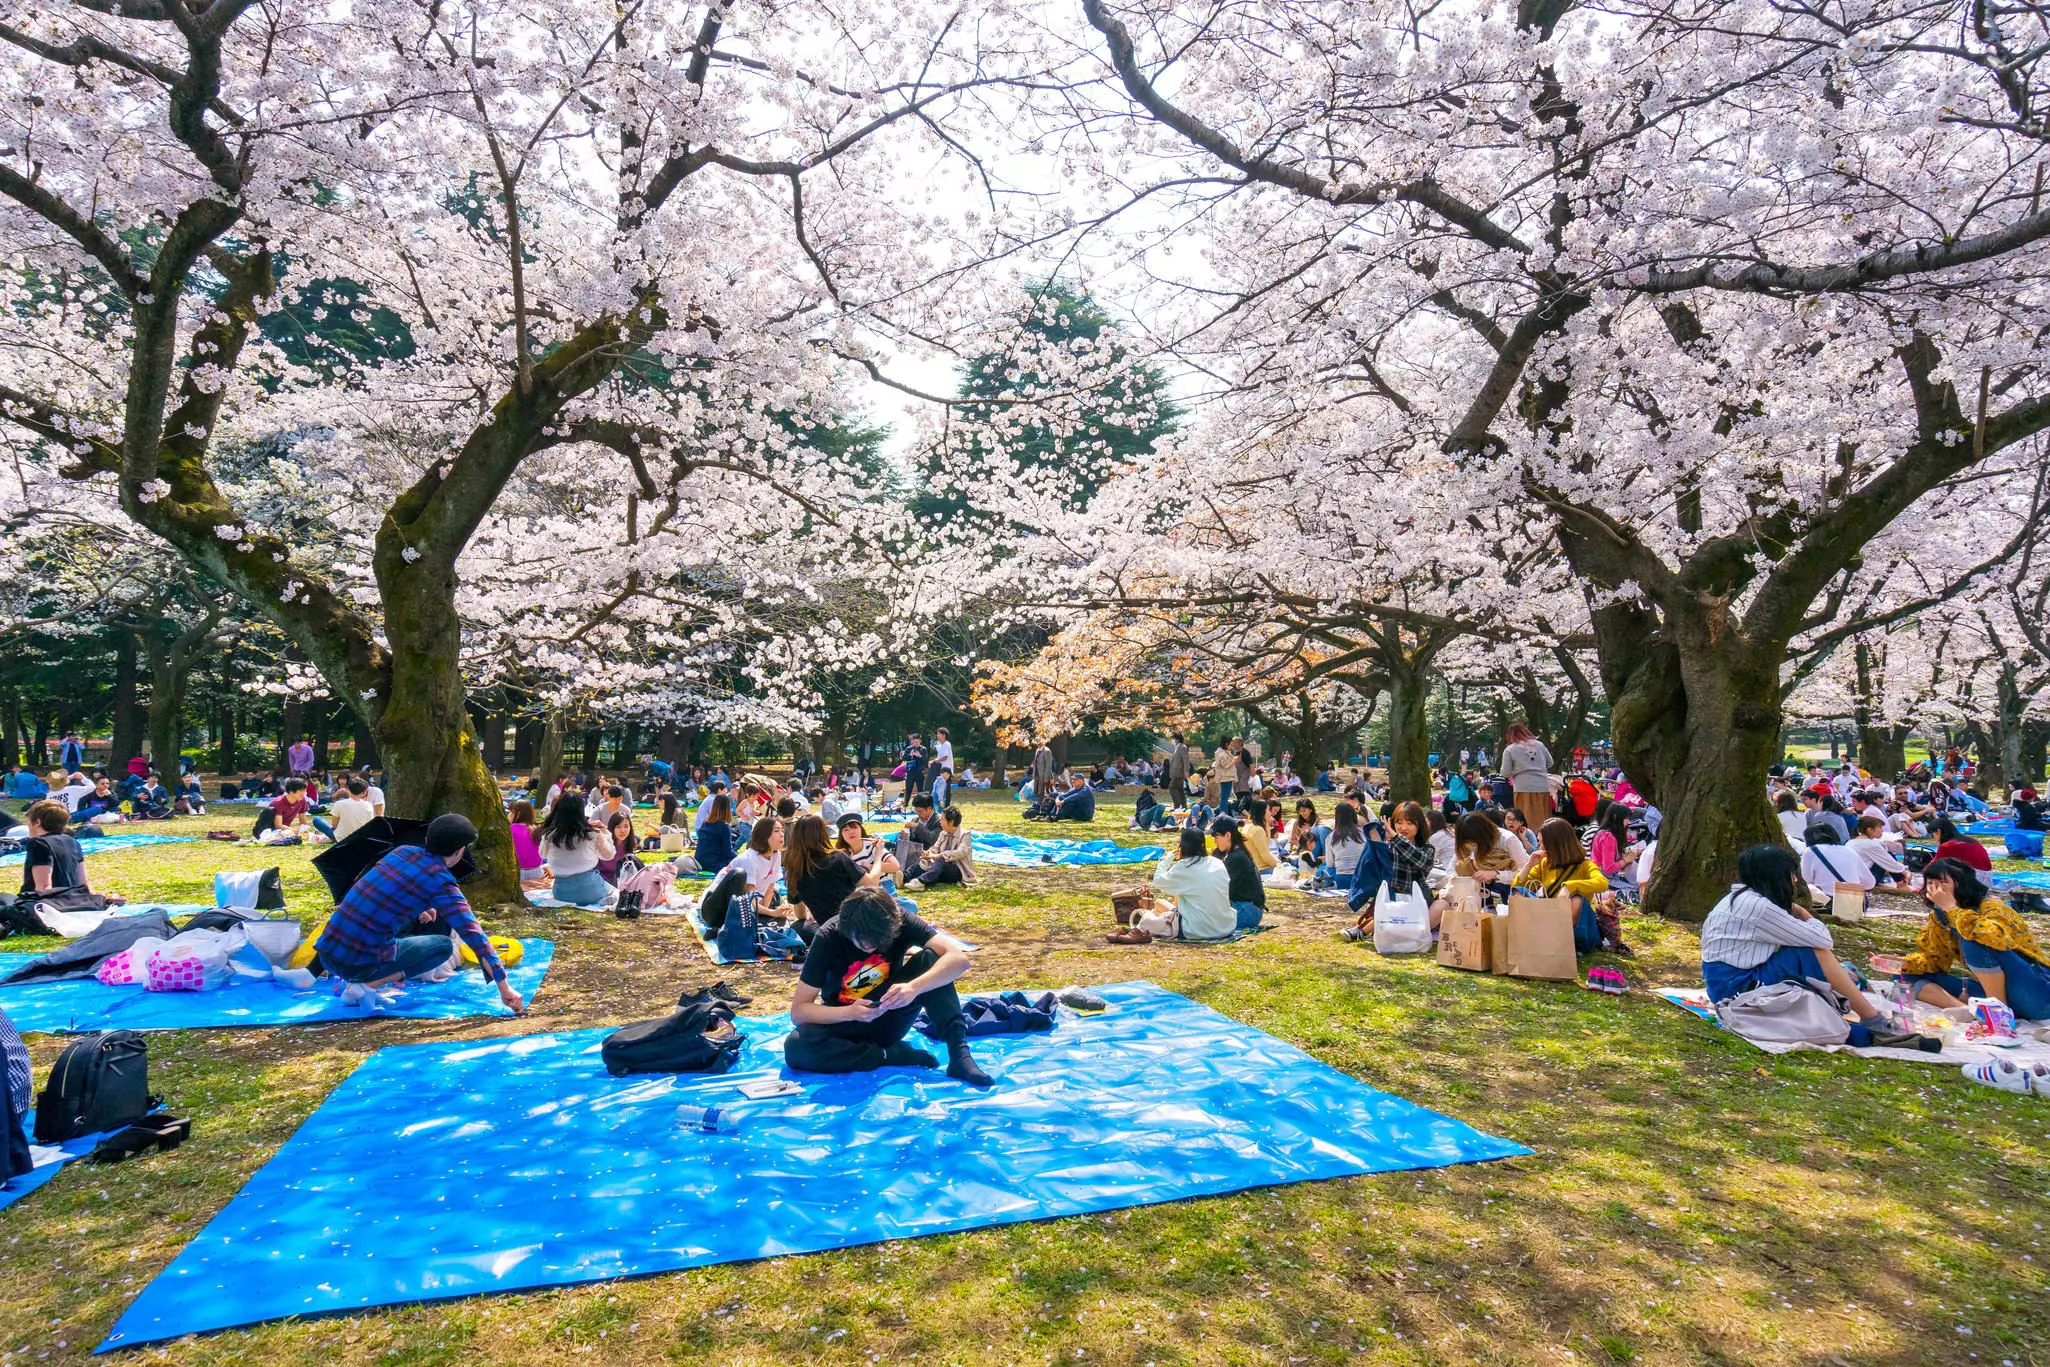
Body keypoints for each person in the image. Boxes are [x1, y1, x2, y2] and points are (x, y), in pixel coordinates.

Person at [312, 813, 524, 1014]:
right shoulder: (441, 883)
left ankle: (361, 986)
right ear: (460, 851)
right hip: (355, 966)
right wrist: (505, 988)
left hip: (325, 953)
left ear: (427, 838)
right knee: (442, 947)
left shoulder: (401, 852)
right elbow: (475, 936)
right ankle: (366, 985)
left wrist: (424, 906)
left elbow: (385, 892)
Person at [783, 887, 990, 1086]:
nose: (869, 947)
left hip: (891, 1012)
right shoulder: (828, 936)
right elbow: (799, 1011)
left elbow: (958, 959)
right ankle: (889, 1055)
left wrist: (914, 988)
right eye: (862, 941)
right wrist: (850, 1013)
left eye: (876, 942)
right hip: (846, 1026)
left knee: (932, 960)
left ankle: (959, 1055)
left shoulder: (898, 919)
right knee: (796, 1046)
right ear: (847, 929)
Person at [1699, 845, 1889, 1026]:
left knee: (1813, 957)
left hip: (1724, 982)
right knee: (1815, 952)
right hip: (1736, 989)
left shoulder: (1740, 897)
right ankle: (1872, 1018)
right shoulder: (1759, 908)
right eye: (1792, 874)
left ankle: (1849, 983)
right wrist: (1802, 912)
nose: (1796, 880)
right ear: (1777, 876)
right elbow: (1822, 941)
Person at [1880, 858, 2050, 1020]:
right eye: (1930, 883)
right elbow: (1935, 961)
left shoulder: (1991, 906)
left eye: (1942, 883)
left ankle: (1998, 1016)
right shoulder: (1940, 917)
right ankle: (1969, 1011)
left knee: (1974, 941)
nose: (1935, 889)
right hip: (1995, 992)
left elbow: (1995, 938)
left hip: (2036, 994)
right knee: (1904, 976)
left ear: (1961, 884)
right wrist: (1903, 963)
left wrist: (1950, 907)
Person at [1511, 818, 1611, 955]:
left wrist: (1570, 886)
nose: (1540, 848)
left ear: (1556, 844)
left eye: (1542, 843)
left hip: (1576, 928)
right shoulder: (1544, 863)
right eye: (1539, 842)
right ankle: (1537, 939)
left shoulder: (1585, 866)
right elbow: (1517, 887)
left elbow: (1602, 883)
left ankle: (1562, 945)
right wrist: (1528, 866)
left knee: (1576, 900)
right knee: (1519, 893)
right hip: (1549, 919)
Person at [787, 814, 890, 936]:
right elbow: (872, 883)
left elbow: (801, 916)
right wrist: (878, 855)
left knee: (797, 926)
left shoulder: (795, 870)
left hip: (830, 933)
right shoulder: (837, 857)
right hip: (856, 926)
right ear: (822, 834)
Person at [1125, 828, 1235, 942]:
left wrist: (1166, 860)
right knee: (1159, 904)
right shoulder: (1217, 863)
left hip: (1197, 930)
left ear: (1183, 846)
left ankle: (1144, 925)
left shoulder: (1184, 867)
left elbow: (1158, 881)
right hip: (1225, 926)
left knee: (1150, 919)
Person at [16, 801, 118, 902]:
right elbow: (84, 883)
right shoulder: (72, 841)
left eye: (28, 821)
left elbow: (44, 888)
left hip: (47, 904)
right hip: (73, 900)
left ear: (37, 822)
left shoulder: (38, 843)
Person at [538, 794, 614, 904]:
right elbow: (609, 855)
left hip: (561, 892)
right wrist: (605, 832)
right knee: (614, 892)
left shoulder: (550, 835)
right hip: (591, 889)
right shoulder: (592, 833)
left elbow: (542, 854)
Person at [1209, 817, 1266, 931]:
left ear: (1228, 835)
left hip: (1247, 911)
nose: (1215, 841)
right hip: (1248, 908)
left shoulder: (1236, 858)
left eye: (1216, 836)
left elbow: (1221, 889)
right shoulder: (1232, 854)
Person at [904, 806, 975, 890]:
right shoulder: (943, 833)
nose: (940, 822)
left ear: (951, 822)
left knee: (940, 860)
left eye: (942, 820)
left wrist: (938, 855)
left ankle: (921, 881)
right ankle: (904, 877)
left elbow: (960, 852)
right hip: (940, 869)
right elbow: (935, 847)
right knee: (924, 861)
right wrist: (928, 853)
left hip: (957, 871)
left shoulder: (965, 835)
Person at [1500, 724, 1554, 832]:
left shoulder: (1510, 749)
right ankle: (1544, 841)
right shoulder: (1540, 745)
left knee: (1525, 818)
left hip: (1523, 787)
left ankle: (1527, 841)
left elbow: (1505, 773)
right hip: (1542, 787)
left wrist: (1519, 769)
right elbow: (1550, 763)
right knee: (1543, 818)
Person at [1846, 813, 1913, 888]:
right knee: (1888, 855)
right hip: (1861, 881)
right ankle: (1902, 885)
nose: (1882, 831)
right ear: (1870, 830)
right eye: (1880, 828)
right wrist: (1905, 872)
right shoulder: (1870, 844)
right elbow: (1888, 861)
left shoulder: (1851, 841)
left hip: (1851, 877)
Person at [506, 798, 549, 889]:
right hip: (537, 872)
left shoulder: (510, 829)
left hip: (518, 872)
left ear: (518, 814)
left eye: (512, 812)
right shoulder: (536, 829)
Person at [694, 793, 736, 873]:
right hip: (715, 864)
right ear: (727, 808)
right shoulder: (724, 827)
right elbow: (728, 852)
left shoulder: (705, 822)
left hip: (699, 862)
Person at [1236, 798, 1279, 871]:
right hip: (1261, 868)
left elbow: (1266, 846)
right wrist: (1279, 865)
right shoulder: (1258, 830)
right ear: (1263, 813)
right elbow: (1265, 855)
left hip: (1253, 866)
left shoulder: (1248, 825)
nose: (1270, 813)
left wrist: (1267, 827)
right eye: (1268, 810)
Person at [597, 810, 639, 885]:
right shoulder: (604, 843)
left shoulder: (630, 844)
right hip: (601, 879)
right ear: (612, 828)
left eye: (626, 826)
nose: (623, 830)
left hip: (621, 880)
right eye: (618, 827)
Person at [330, 778, 378, 842]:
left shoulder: (339, 804)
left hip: (341, 837)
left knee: (317, 820)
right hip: (360, 838)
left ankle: (329, 839)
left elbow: (334, 825)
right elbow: (369, 825)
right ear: (364, 792)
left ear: (348, 789)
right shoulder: (368, 805)